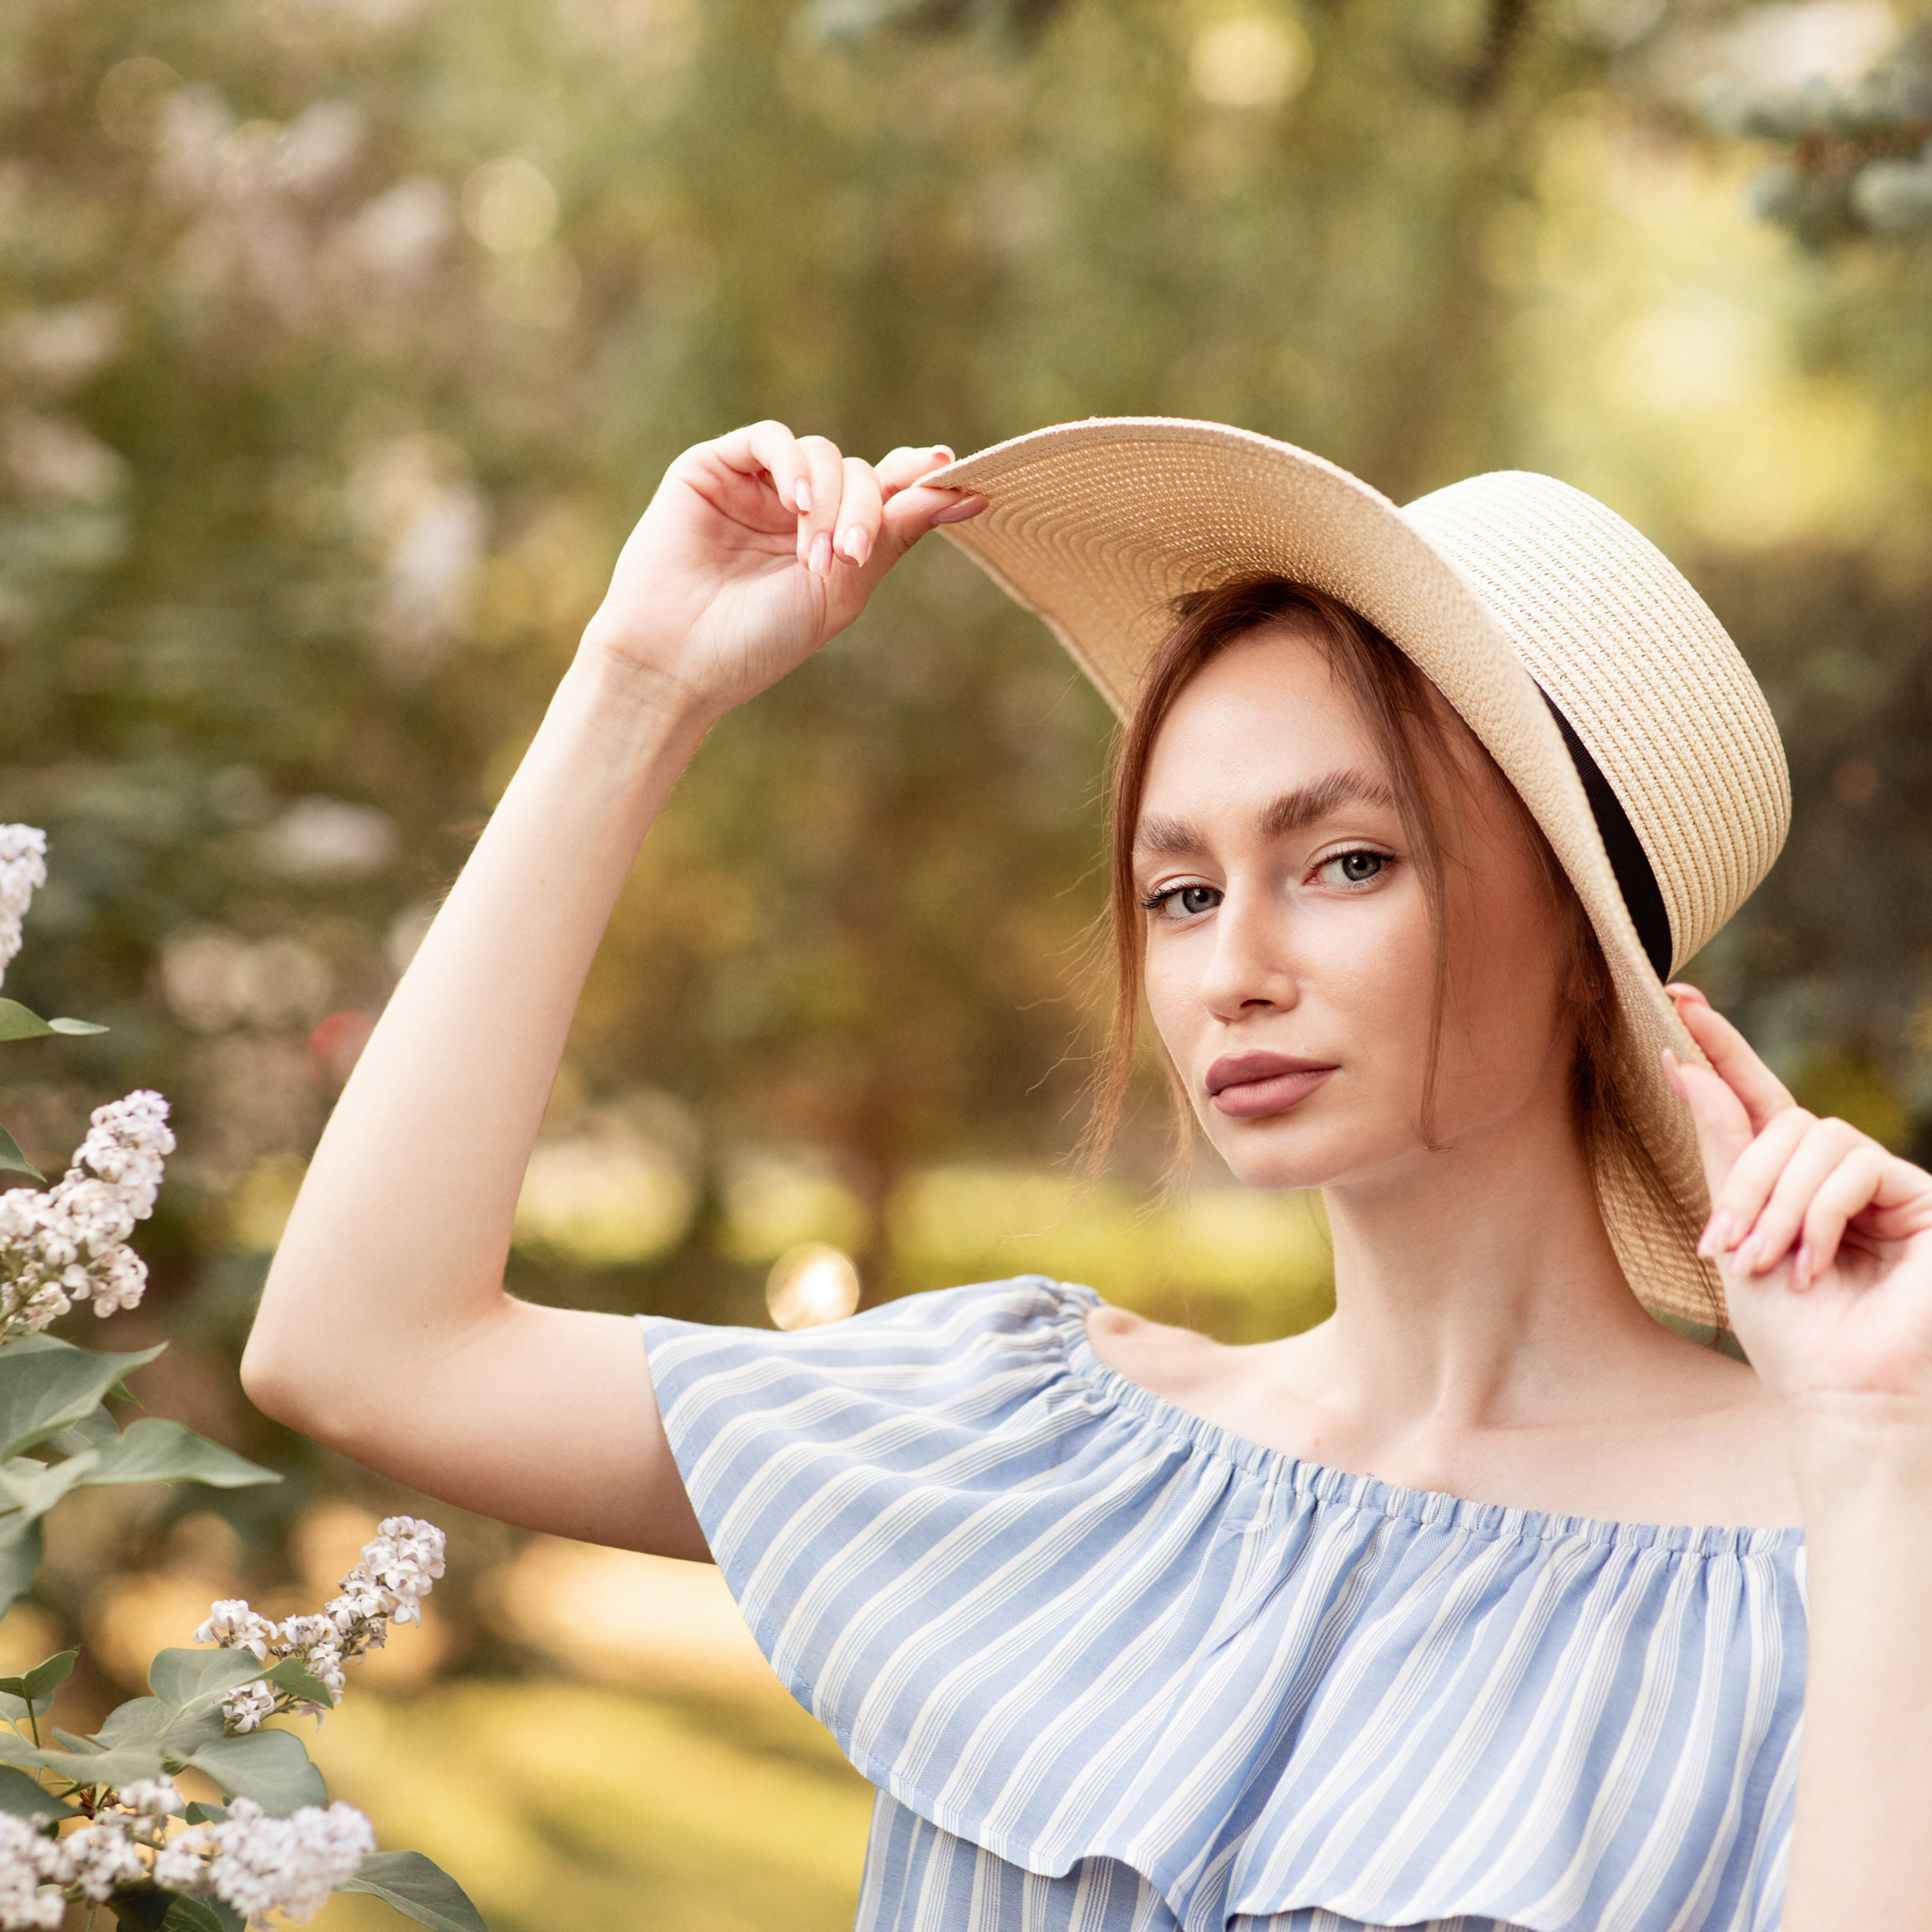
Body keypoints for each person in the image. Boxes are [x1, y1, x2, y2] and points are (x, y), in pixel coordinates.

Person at [243, 418, 1932, 1932]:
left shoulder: (1835, 1552)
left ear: (1585, 947)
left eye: (1342, 860)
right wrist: (638, 683)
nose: (1230, 968)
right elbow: (364, 1343)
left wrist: (1870, 1449)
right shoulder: (1028, 1439)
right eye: (1180, 888)